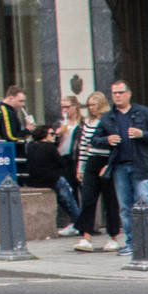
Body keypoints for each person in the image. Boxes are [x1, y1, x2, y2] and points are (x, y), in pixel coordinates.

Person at [92, 80, 148, 254]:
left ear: (128, 93)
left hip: (141, 165)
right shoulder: (108, 117)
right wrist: (107, 140)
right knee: (125, 206)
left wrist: (142, 134)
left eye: (120, 92)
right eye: (114, 93)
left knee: (145, 202)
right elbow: (94, 140)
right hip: (119, 166)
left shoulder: (142, 112)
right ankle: (132, 243)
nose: (117, 96)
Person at [72, 90, 116, 250]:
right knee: (88, 199)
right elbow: (83, 146)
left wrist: (110, 162)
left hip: (106, 161)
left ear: (101, 104)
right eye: (89, 105)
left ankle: (113, 236)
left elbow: (114, 142)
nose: (91, 108)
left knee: (110, 200)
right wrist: (80, 167)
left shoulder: (109, 120)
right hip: (92, 160)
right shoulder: (87, 122)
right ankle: (86, 237)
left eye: (93, 105)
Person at [50, 96, 83, 236]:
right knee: (69, 189)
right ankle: (74, 221)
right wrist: (56, 135)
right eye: (62, 107)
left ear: (75, 106)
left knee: (82, 189)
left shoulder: (81, 123)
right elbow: (50, 141)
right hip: (62, 158)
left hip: (77, 157)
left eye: (67, 107)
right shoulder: (60, 123)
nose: (64, 110)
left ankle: (83, 221)